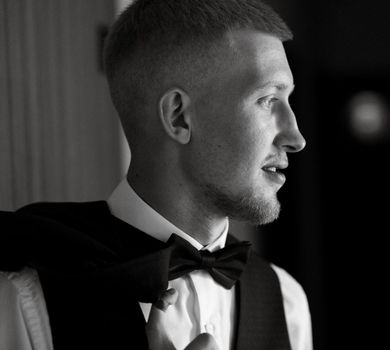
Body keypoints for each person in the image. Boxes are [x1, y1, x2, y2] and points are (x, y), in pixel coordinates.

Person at [0, 0, 311, 349]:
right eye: (268, 100)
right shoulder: (21, 296)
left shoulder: (287, 301)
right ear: (178, 117)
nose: (296, 138)